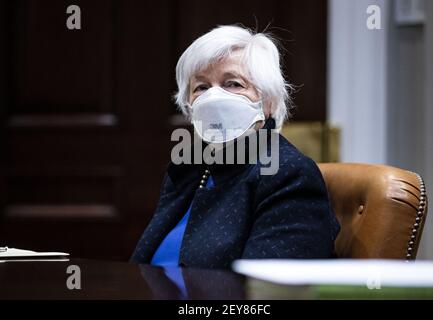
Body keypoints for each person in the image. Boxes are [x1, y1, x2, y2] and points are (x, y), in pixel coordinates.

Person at [131, 25, 340, 269]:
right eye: (201, 87)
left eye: (233, 84)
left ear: (268, 101)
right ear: (188, 104)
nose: (214, 97)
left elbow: (267, 290)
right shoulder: (189, 167)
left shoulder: (289, 175)